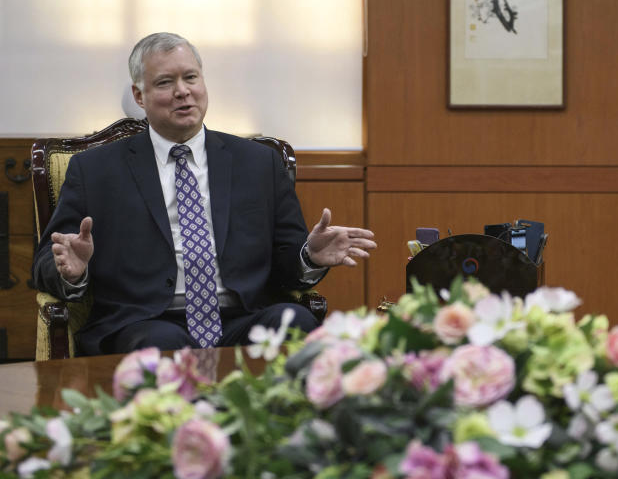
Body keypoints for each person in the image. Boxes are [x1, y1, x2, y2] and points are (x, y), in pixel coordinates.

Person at [32, 32, 377, 355]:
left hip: (241, 318)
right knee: (162, 343)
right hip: (147, 322)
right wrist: (71, 271)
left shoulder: (258, 163)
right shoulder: (95, 170)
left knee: (296, 322)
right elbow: (46, 259)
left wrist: (309, 257)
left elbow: (287, 264)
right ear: (140, 96)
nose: (183, 91)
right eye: (165, 82)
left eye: (191, 77)